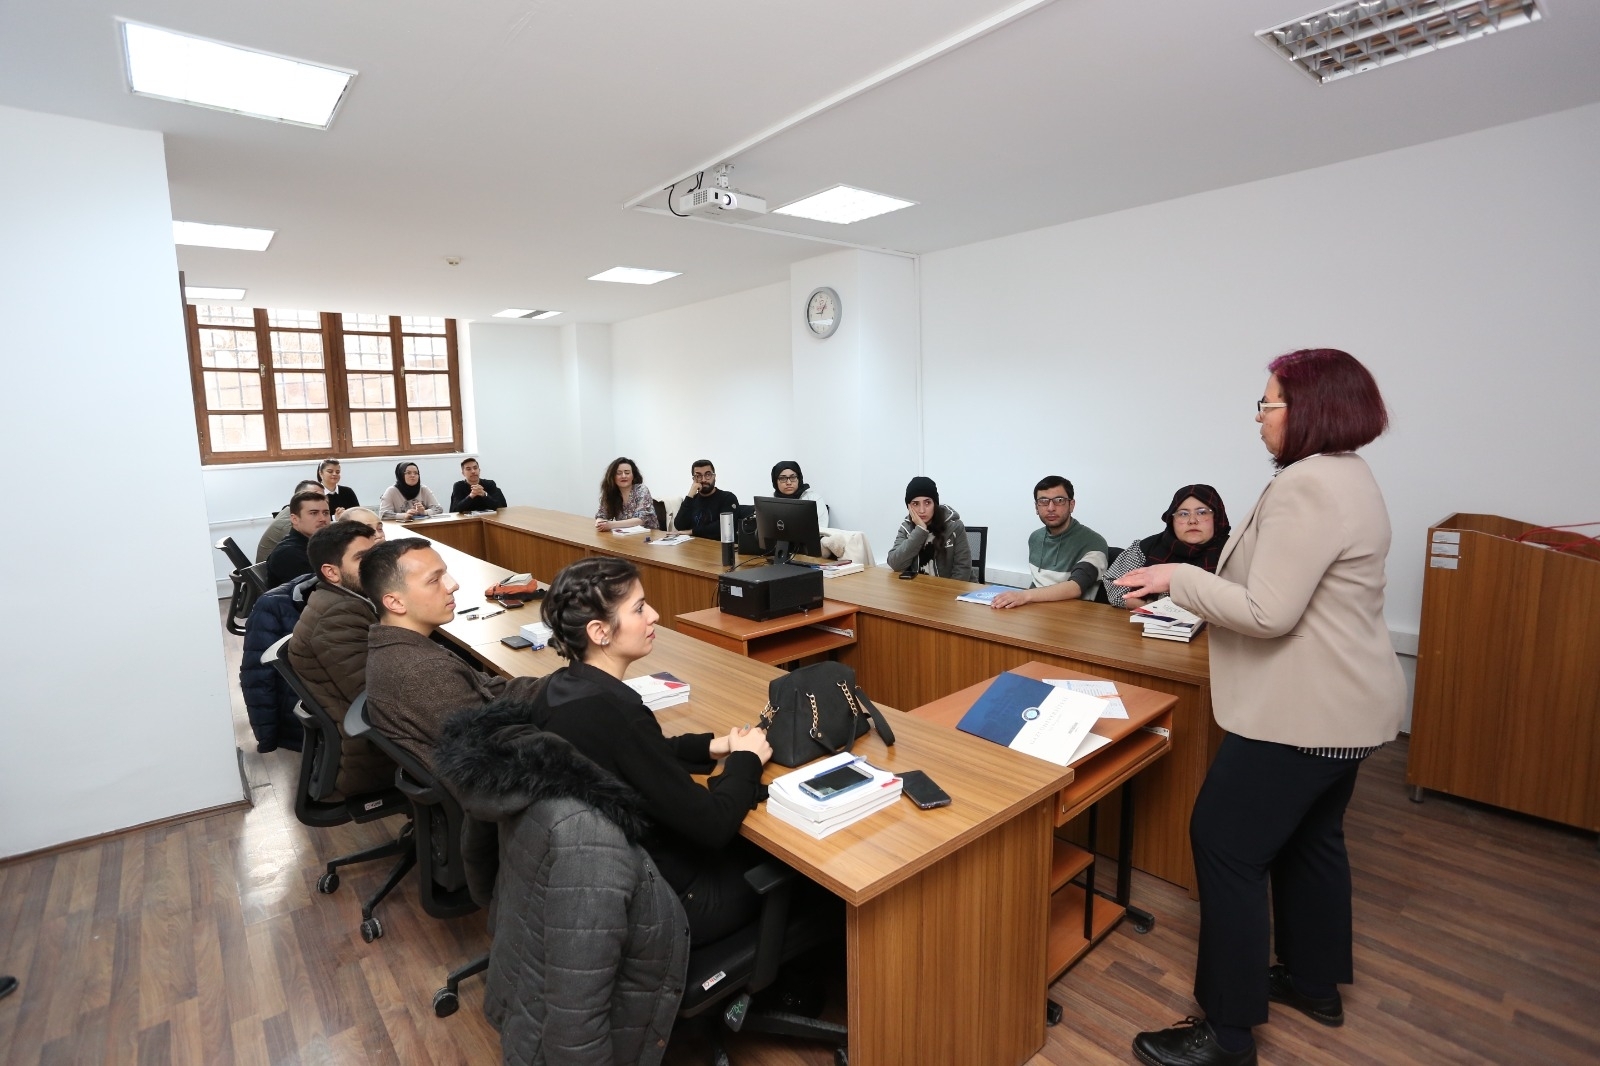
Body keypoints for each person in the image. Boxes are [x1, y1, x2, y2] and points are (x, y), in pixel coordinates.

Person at [1118, 349, 1405, 1066]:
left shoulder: (1308, 486)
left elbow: (1269, 612)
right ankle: (1313, 983)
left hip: (1302, 714)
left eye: (1267, 404)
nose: (1258, 418)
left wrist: (1179, 576)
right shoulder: (1351, 474)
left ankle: (1228, 1031)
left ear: (1309, 409)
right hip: (1350, 708)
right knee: (1312, 841)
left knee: (1224, 843)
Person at [520, 556, 772, 945]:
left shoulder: (559, 689)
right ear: (600, 631)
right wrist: (746, 761)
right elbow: (712, 825)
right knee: (795, 868)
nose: (654, 615)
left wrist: (715, 746)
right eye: (639, 608)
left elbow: (642, 756)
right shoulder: (619, 713)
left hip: (607, 881)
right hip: (670, 899)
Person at [361, 539, 543, 768]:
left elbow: (490, 690)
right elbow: (497, 752)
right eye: (434, 580)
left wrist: (563, 684)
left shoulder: (402, 648)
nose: (453, 585)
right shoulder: (423, 672)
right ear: (395, 602)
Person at [286, 521, 395, 796]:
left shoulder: (341, 601)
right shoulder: (337, 617)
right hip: (374, 756)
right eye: (362, 559)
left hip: (372, 740)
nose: (377, 566)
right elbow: (381, 700)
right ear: (331, 572)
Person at [1102, 485, 1232, 609]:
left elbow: (1242, 604)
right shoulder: (1148, 546)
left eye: (1202, 513)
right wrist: (1149, 608)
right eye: (1183, 514)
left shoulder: (1234, 552)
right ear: (1172, 520)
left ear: (1217, 517)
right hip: (1149, 626)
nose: (1192, 520)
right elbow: (1113, 583)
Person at [990, 477, 1108, 609]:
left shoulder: (1093, 542)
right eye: (1044, 501)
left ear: (1072, 505)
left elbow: (1075, 587)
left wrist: (1023, 595)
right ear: (1036, 507)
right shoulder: (1035, 538)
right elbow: (1037, 583)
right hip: (1038, 614)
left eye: (1059, 501)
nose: (1051, 508)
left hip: (1073, 619)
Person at [886, 476, 973, 580]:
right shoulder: (906, 527)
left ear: (935, 504)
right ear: (909, 507)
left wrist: (949, 594)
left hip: (950, 590)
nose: (922, 510)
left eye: (927, 503)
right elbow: (895, 564)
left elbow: (963, 569)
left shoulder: (954, 526)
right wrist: (920, 530)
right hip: (920, 590)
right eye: (915, 504)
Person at [265, 489, 331, 587]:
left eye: (325, 513)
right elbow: (318, 591)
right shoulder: (288, 554)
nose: (322, 519)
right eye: (313, 513)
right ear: (295, 519)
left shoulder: (318, 545)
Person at [255, 480, 325, 562]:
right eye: (312, 495)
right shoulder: (288, 524)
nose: (319, 500)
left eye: (322, 496)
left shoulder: (291, 510)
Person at [673, 459, 739, 539]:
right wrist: (690, 494)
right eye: (698, 476)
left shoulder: (727, 498)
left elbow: (724, 526)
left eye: (708, 475)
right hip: (694, 546)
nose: (703, 479)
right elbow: (679, 525)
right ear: (694, 479)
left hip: (718, 547)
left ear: (714, 476)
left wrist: (692, 531)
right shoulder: (691, 499)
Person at [594, 457, 658, 531]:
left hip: (646, 535)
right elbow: (601, 515)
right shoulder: (611, 492)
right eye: (619, 473)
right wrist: (599, 523)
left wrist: (611, 525)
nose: (623, 476)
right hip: (624, 535)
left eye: (627, 473)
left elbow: (642, 520)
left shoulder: (641, 490)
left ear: (633, 475)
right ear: (612, 477)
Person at [768, 461, 829, 526]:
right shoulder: (768, 502)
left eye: (793, 477)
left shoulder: (814, 499)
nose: (788, 482)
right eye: (783, 478)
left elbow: (822, 528)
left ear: (799, 478)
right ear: (775, 481)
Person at [378, 461, 443, 519]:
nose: (412, 475)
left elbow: (439, 509)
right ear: (401, 475)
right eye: (408, 473)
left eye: (415, 473)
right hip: (400, 528)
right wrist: (404, 515)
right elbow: (384, 514)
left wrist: (424, 512)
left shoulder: (423, 489)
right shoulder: (391, 491)